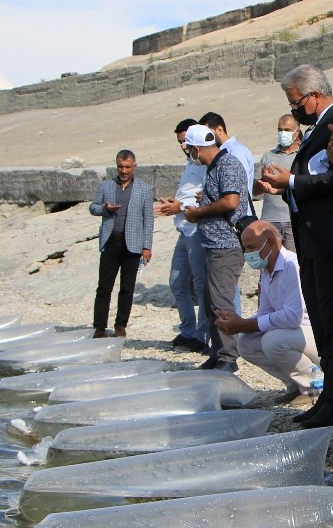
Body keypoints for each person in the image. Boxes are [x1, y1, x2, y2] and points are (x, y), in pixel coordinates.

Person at [261, 65, 333, 428]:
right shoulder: (318, 127)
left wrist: (292, 180)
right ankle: (331, 396)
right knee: (322, 318)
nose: (295, 109)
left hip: (332, 238)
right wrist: (287, 186)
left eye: (296, 102)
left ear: (313, 95)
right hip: (314, 237)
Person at [214, 220, 319, 402]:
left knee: (272, 341)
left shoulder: (292, 265)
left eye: (251, 247)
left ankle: (316, 386)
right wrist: (238, 323)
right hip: (294, 335)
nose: (247, 253)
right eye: (245, 248)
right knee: (246, 343)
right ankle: (296, 384)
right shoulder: (267, 270)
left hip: (313, 335)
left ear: (270, 241)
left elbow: (293, 317)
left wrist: (245, 324)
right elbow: (265, 312)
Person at [182, 124, 252, 372]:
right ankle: (217, 352)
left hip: (226, 245)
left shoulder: (228, 164)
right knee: (211, 300)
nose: (190, 154)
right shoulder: (215, 167)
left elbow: (231, 201)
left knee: (222, 302)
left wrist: (199, 213)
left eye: (189, 149)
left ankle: (228, 358)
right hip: (213, 244)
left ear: (197, 148)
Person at [156, 119, 210, 354]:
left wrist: (180, 205)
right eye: (180, 143)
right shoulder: (191, 163)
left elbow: (206, 194)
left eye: (185, 142)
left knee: (200, 285)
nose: (183, 147)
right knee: (178, 282)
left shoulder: (206, 162)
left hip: (197, 229)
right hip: (184, 229)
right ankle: (188, 330)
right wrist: (175, 203)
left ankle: (202, 334)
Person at [88, 149, 154, 339]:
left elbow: (148, 219)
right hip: (111, 241)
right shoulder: (107, 185)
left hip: (132, 245)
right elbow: (93, 207)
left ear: (134, 167)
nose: (124, 171)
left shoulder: (144, 189)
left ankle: (120, 325)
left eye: (127, 167)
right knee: (104, 286)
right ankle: (99, 327)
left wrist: (147, 246)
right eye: (120, 167)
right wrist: (105, 209)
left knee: (127, 287)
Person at [255, 115, 300, 251]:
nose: (282, 134)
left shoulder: (301, 155)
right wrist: (262, 181)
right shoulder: (268, 156)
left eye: (287, 130)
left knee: (294, 265)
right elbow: (255, 192)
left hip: (292, 219)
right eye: (280, 130)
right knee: (269, 263)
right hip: (269, 219)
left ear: (296, 132)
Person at [201, 111, 257, 188]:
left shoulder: (235, 150)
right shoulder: (219, 152)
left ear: (220, 130)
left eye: (207, 134)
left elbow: (239, 185)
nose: (205, 139)